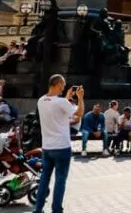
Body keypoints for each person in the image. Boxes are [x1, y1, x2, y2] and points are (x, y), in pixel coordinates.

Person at [33, 75, 84, 213]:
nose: (64, 86)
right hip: (62, 147)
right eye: (64, 84)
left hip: (47, 148)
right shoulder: (61, 102)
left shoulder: (41, 100)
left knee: (44, 179)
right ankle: (56, 210)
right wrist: (80, 97)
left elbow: (56, 109)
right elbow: (79, 114)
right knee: (60, 181)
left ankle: (37, 209)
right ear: (59, 84)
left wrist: (67, 98)